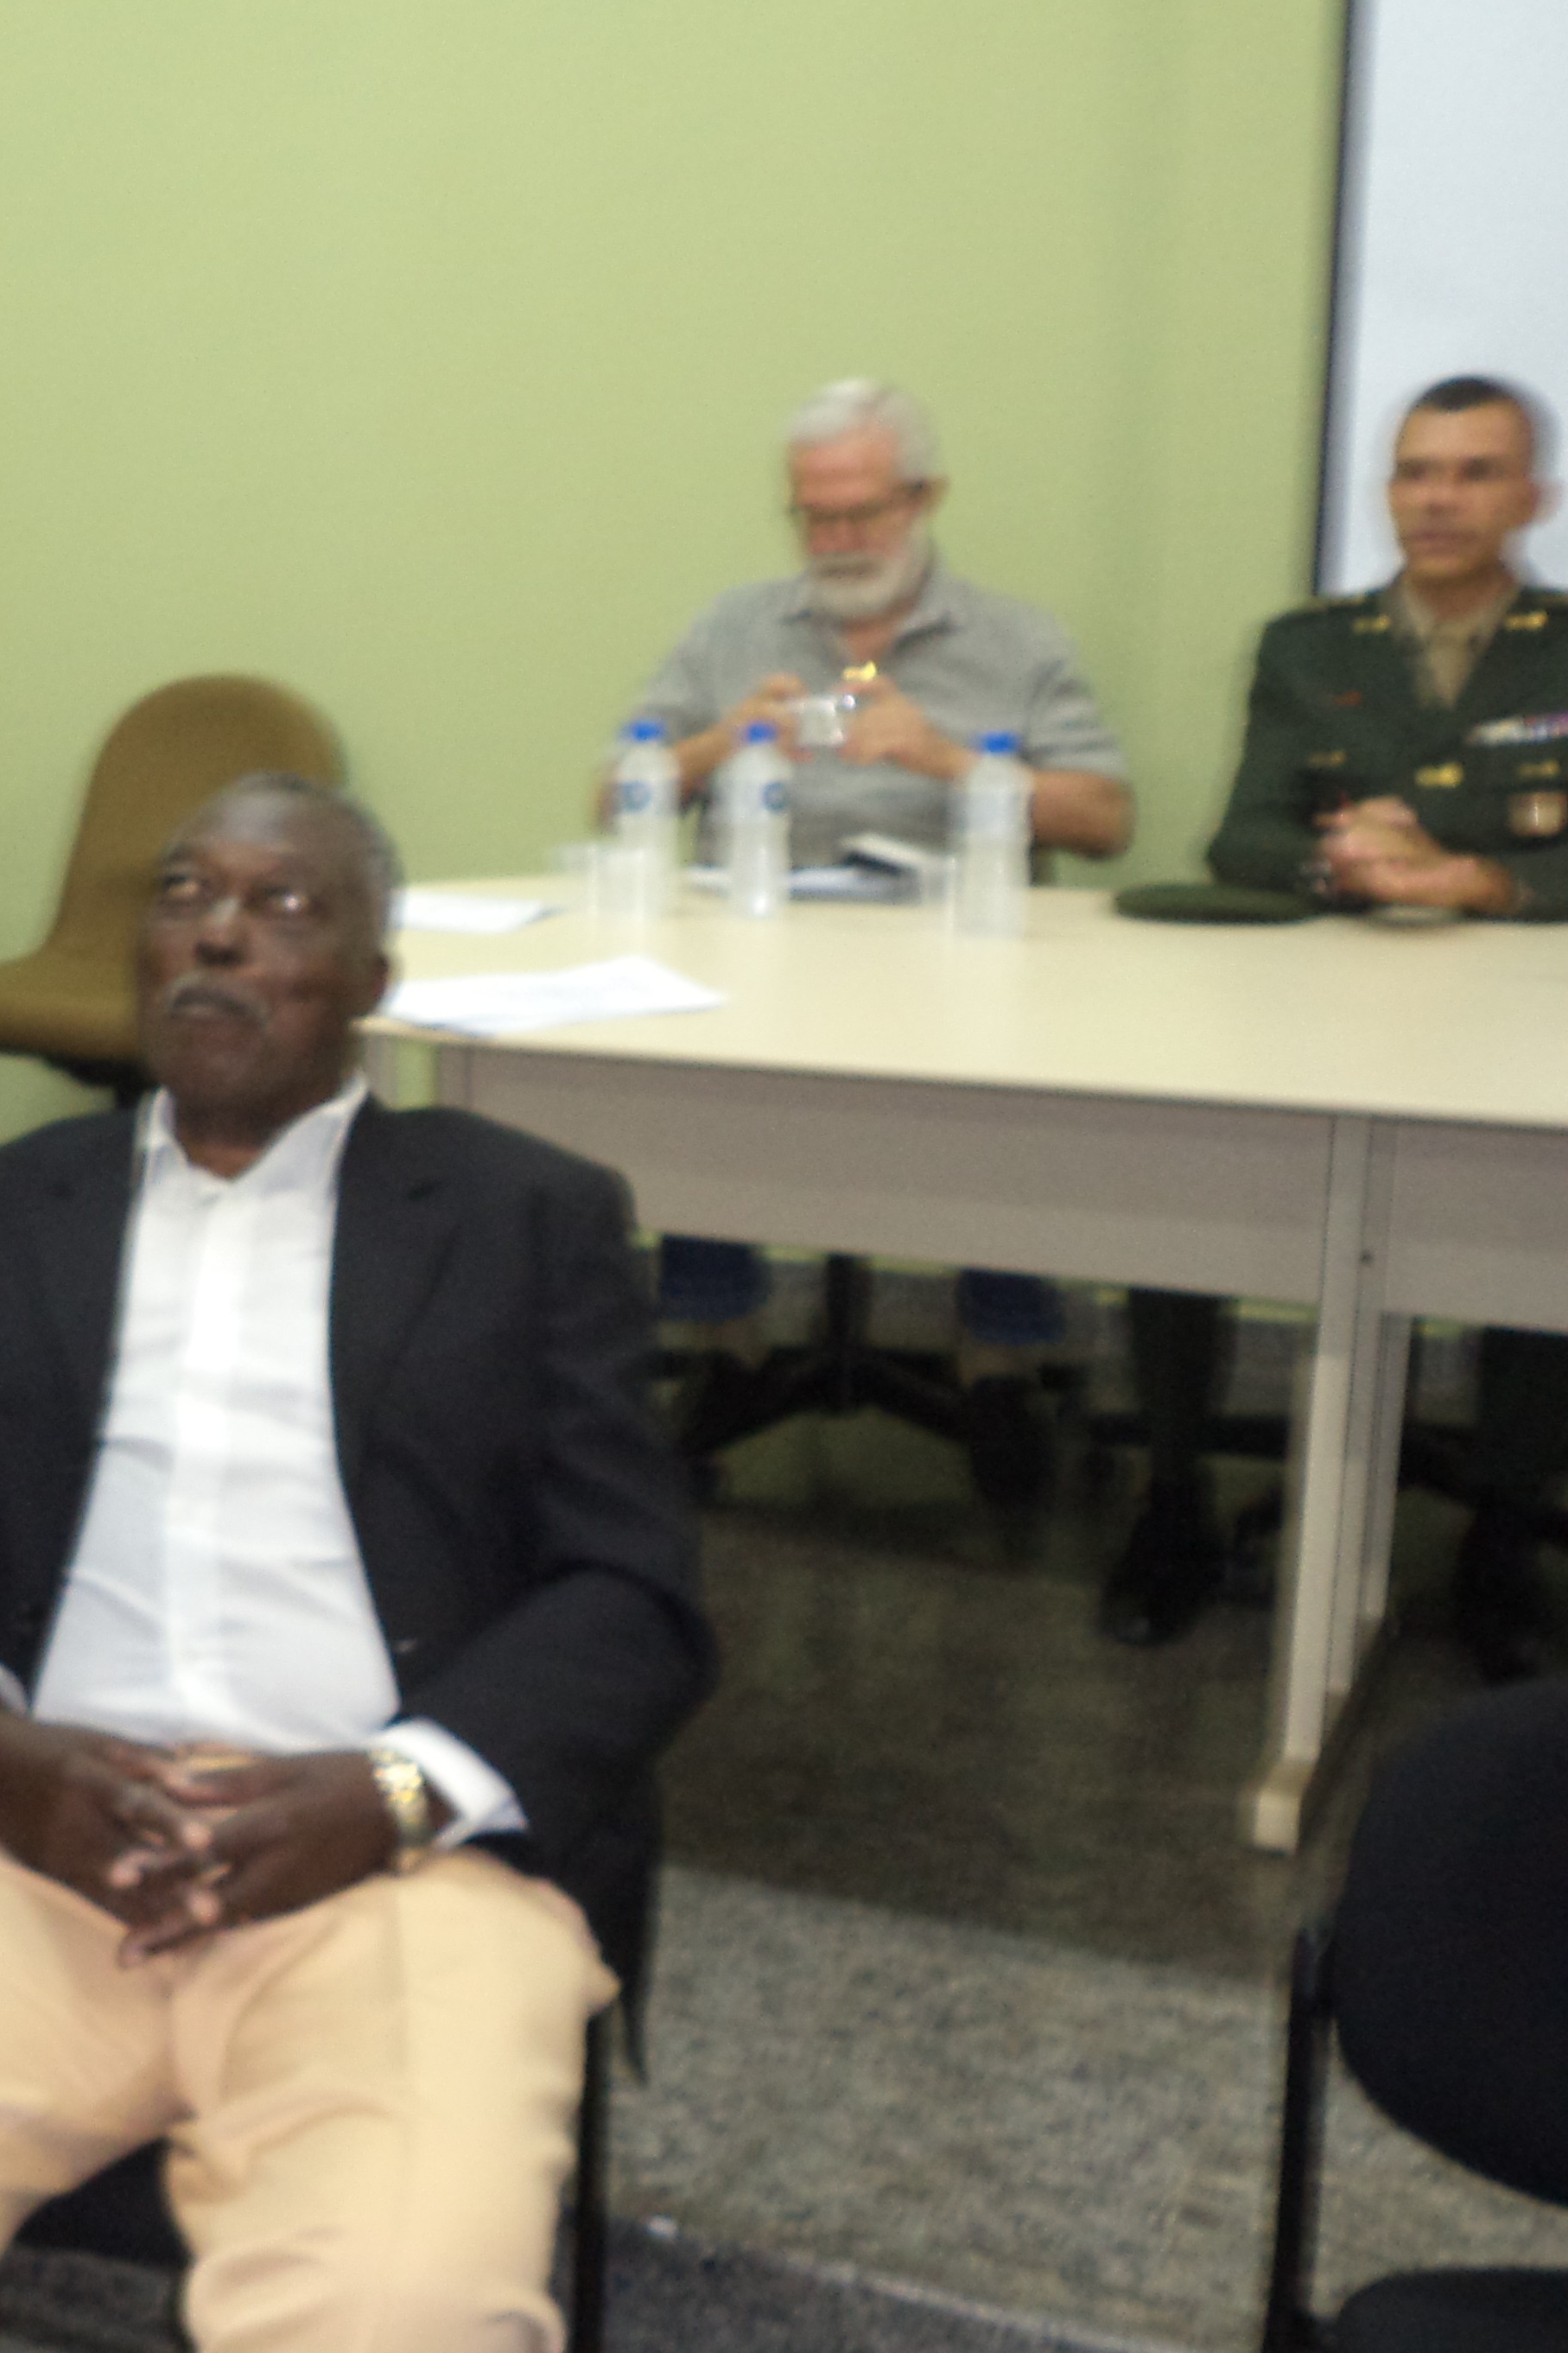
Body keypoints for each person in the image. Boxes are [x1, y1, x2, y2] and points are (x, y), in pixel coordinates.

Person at [0, 776, 714, 2352]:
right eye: (184, 892)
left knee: (397, 2299)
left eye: (283, 906)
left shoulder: (523, 1215)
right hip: (31, 1838)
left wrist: (393, 1789)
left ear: (370, 979)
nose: (218, 931)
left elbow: (633, 1595)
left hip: (402, 1872)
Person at [1113, 373, 1568, 1663]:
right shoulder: (1308, 647)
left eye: (1474, 472)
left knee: (1545, 1217)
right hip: (1323, 1001)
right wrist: (1343, 863)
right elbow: (1239, 838)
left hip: (1518, 1010)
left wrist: (1480, 880)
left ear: (1531, 498)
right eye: (1416, 471)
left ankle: (1502, 1529)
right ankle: (1171, 1498)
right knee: (1179, 1183)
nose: (1438, 498)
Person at [613, 378, 1136, 1502]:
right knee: (679, 1040)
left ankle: (998, 1361)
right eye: (814, 517)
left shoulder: (1015, 639)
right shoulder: (732, 628)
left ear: (924, 498)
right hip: (761, 947)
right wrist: (716, 743)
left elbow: (1105, 819)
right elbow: (615, 794)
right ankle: (721, 1343)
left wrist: (943, 758)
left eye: (862, 513)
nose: (838, 541)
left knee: (1013, 1058)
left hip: (950, 958)